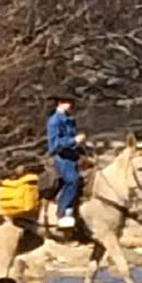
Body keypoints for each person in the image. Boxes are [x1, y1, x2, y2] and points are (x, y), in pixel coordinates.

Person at [46, 95, 86, 229]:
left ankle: (75, 210)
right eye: (68, 102)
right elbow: (55, 144)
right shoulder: (54, 121)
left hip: (72, 156)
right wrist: (74, 141)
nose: (71, 105)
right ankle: (62, 212)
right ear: (60, 103)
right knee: (72, 180)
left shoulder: (69, 119)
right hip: (61, 158)